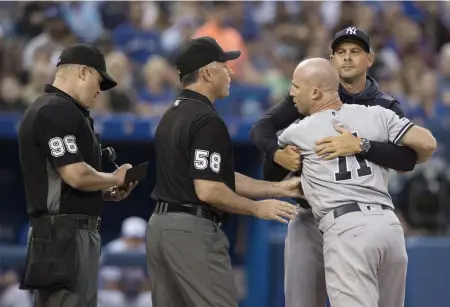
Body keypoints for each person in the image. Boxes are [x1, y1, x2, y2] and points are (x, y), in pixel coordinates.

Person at [250, 27, 418, 307]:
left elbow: (407, 159)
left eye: (355, 52)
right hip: (310, 215)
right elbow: (262, 127)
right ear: (331, 60)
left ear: (370, 59)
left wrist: (362, 145)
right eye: (340, 53)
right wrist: (276, 153)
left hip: (358, 216)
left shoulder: (382, 107)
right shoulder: (314, 94)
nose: (347, 59)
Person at [146, 36, 301, 307]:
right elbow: (208, 188)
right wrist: (256, 209)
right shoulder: (206, 119)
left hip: (161, 227)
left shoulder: (173, 113)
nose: (230, 71)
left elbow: (218, 176)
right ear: (207, 72)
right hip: (191, 230)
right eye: (224, 65)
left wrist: (276, 188)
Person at [278, 57, 437, 307]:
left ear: (316, 92)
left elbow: (270, 168)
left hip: (346, 229)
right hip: (389, 228)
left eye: (296, 87)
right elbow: (427, 145)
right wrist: (367, 146)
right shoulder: (377, 115)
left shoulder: (298, 131)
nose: (291, 93)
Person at [18, 44, 138, 307]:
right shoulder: (54, 110)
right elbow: (75, 174)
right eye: (98, 81)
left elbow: (63, 185)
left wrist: (105, 191)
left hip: (66, 233)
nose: (99, 91)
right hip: (63, 235)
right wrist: (114, 178)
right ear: (83, 71)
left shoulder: (66, 110)